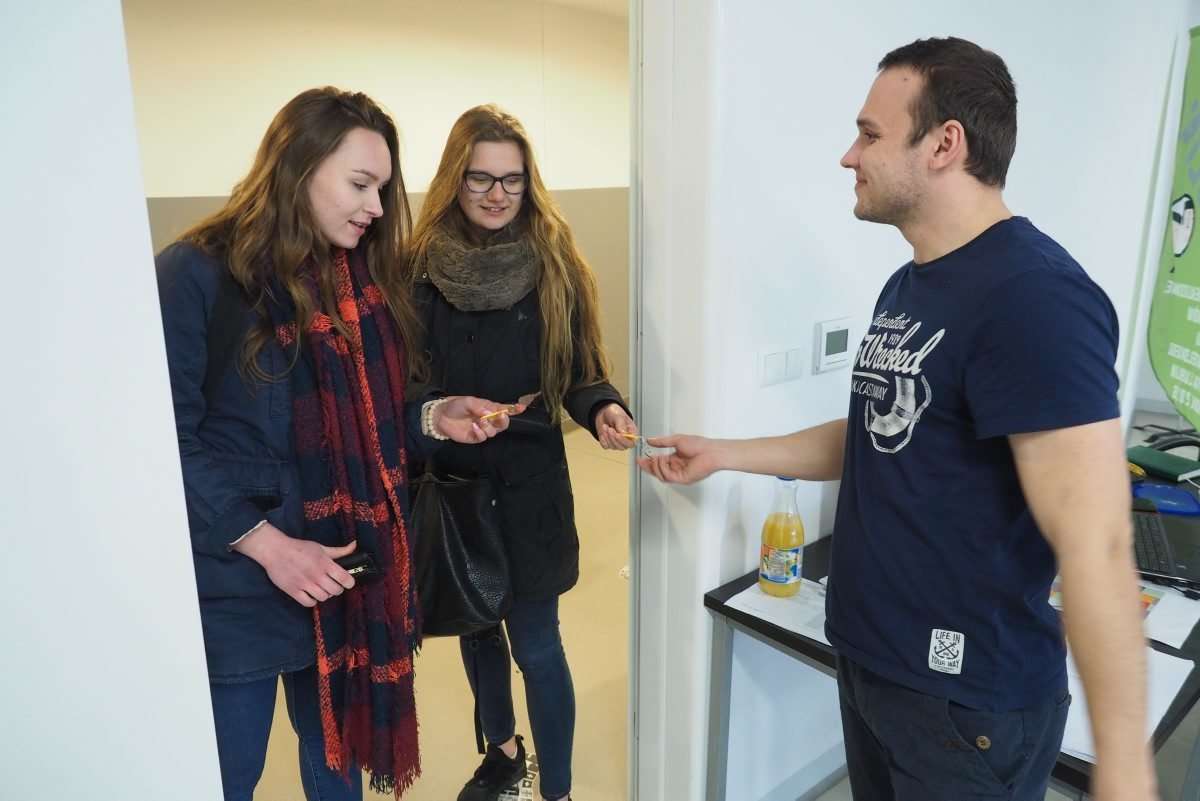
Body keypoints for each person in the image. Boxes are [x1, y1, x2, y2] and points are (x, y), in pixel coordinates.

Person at [639, 37, 1158, 801]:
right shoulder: (908, 286)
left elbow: (1098, 539)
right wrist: (724, 452)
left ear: (945, 144)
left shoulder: (1035, 297)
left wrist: (1123, 765)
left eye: (871, 133)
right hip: (875, 666)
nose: (850, 155)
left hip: (967, 700)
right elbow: (881, 435)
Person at [155, 87, 516, 801]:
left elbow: (379, 410)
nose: (377, 208)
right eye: (360, 184)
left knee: (338, 774)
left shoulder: (360, 283)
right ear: (298, 166)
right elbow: (167, 441)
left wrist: (435, 415)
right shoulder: (195, 274)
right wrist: (266, 543)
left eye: (381, 188)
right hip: (241, 589)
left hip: (346, 577)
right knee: (228, 774)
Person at [404, 104, 638, 801]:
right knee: (476, 631)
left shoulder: (555, 265)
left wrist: (603, 408)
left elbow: (579, 370)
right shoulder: (416, 273)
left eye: (512, 179)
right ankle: (504, 753)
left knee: (537, 645)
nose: (499, 194)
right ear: (454, 180)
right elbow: (404, 385)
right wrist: (436, 414)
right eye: (481, 179)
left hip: (531, 488)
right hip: (453, 486)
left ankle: (557, 790)